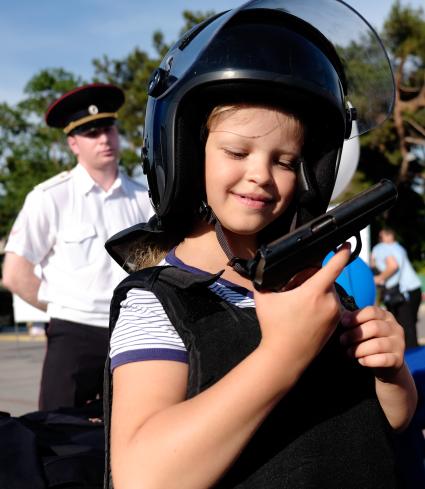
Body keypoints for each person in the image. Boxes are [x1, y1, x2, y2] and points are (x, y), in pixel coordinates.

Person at [104, 2, 418, 487]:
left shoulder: (313, 284)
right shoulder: (159, 303)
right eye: (237, 151)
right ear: (185, 154)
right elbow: (143, 476)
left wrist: (390, 370)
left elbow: (387, 422)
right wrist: (283, 354)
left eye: (287, 161)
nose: (262, 175)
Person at [2, 83, 153, 412]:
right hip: (75, 335)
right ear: (73, 143)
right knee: (58, 438)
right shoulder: (51, 197)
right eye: (91, 132)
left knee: (139, 429)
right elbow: (15, 273)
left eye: (108, 128)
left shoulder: (145, 199)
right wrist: (65, 305)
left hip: (134, 328)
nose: (103, 139)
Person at [371, 227, 423, 349]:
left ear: (386, 237)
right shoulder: (399, 248)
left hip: (400, 291)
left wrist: (378, 278)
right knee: (410, 326)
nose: (381, 240)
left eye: (381, 237)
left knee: (401, 327)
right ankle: (414, 357)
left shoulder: (381, 248)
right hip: (414, 288)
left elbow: (393, 266)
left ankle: (408, 359)